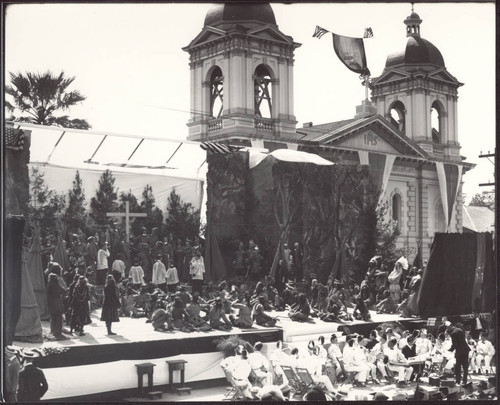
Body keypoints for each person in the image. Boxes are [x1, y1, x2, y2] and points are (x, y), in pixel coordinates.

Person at [46, 273, 67, 340]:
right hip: (57, 304)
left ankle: (52, 331)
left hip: (51, 305)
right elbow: (63, 291)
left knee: (52, 318)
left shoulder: (49, 285)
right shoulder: (56, 285)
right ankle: (57, 332)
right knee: (58, 318)